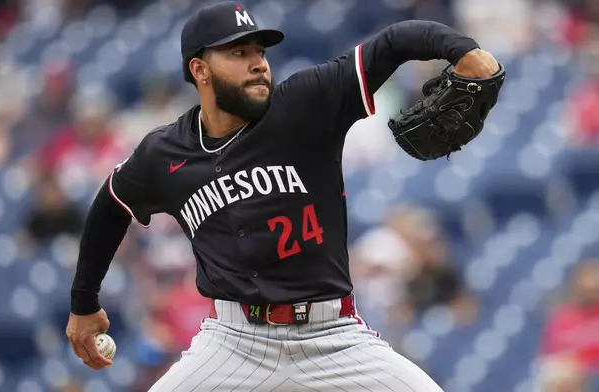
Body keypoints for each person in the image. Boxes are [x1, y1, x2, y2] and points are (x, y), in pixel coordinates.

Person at [65, 2, 500, 390]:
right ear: (200, 70)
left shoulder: (304, 103)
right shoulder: (165, 153)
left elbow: (394, 41)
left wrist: (463, 49)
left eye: (260, 52)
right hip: (234, 344)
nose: (258, 63)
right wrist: (83, 303)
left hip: (333, 338)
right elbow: (111, 204)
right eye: (239, 53)